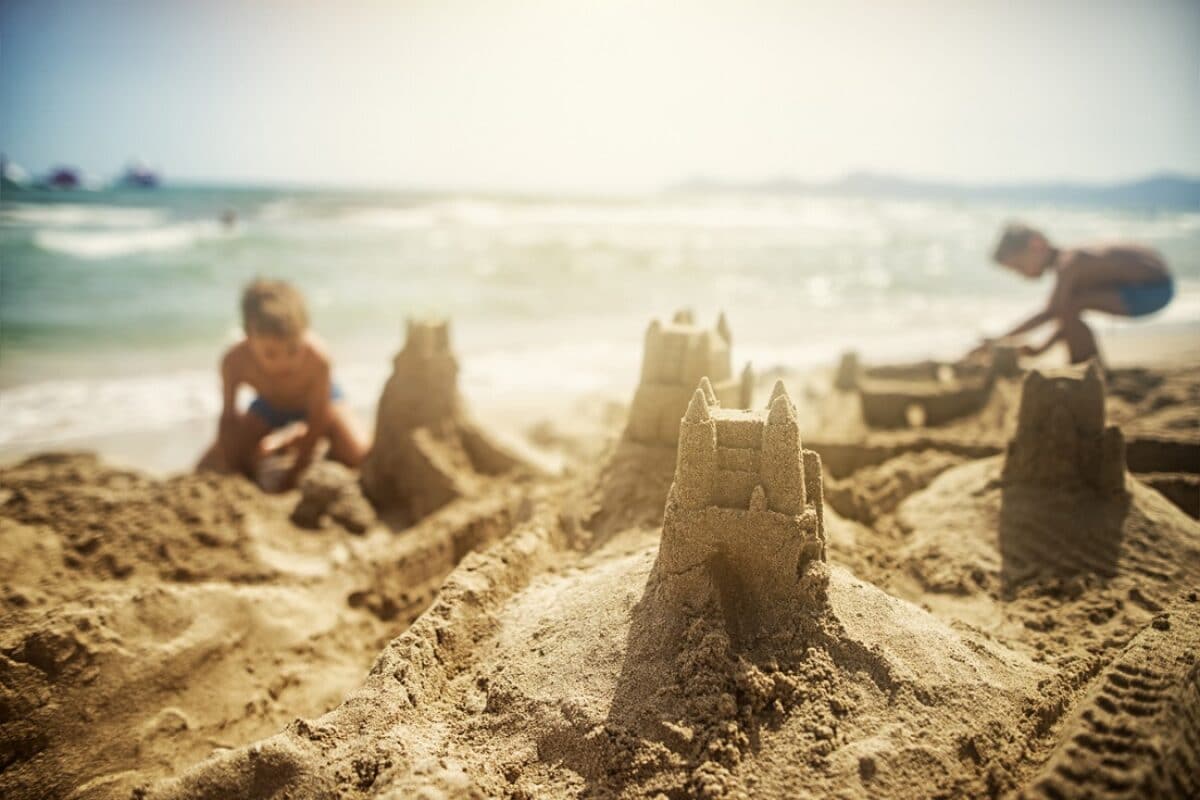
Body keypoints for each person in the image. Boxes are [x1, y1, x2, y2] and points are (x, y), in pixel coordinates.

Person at [197, 278, 368, 489]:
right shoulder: (234, 361)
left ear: (305, 331)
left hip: (320, 404)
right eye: (270, 354)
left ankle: (295, 439)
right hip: (270, 405)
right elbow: (229, 419)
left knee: (359, 454)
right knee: (206, 467)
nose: (284, 362)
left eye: (294, 350)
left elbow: (318, 419)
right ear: (249, 338)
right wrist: (237, 472)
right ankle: (287, 440)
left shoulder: (317, 359)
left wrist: (295, 474)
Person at [972, 222, 1174, 365]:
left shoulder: (1070, 263)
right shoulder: (1071, 261)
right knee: (1071, 304)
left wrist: (1000, 340)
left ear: (1037, 244)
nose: (1021, 275)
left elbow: (1052, 312)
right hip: (1149, 286)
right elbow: (1062, 315)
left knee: (1069, 305)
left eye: (1019, 266)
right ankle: (1087, 366)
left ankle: (1084, 367)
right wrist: (1041, 349)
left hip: (1152, 290)